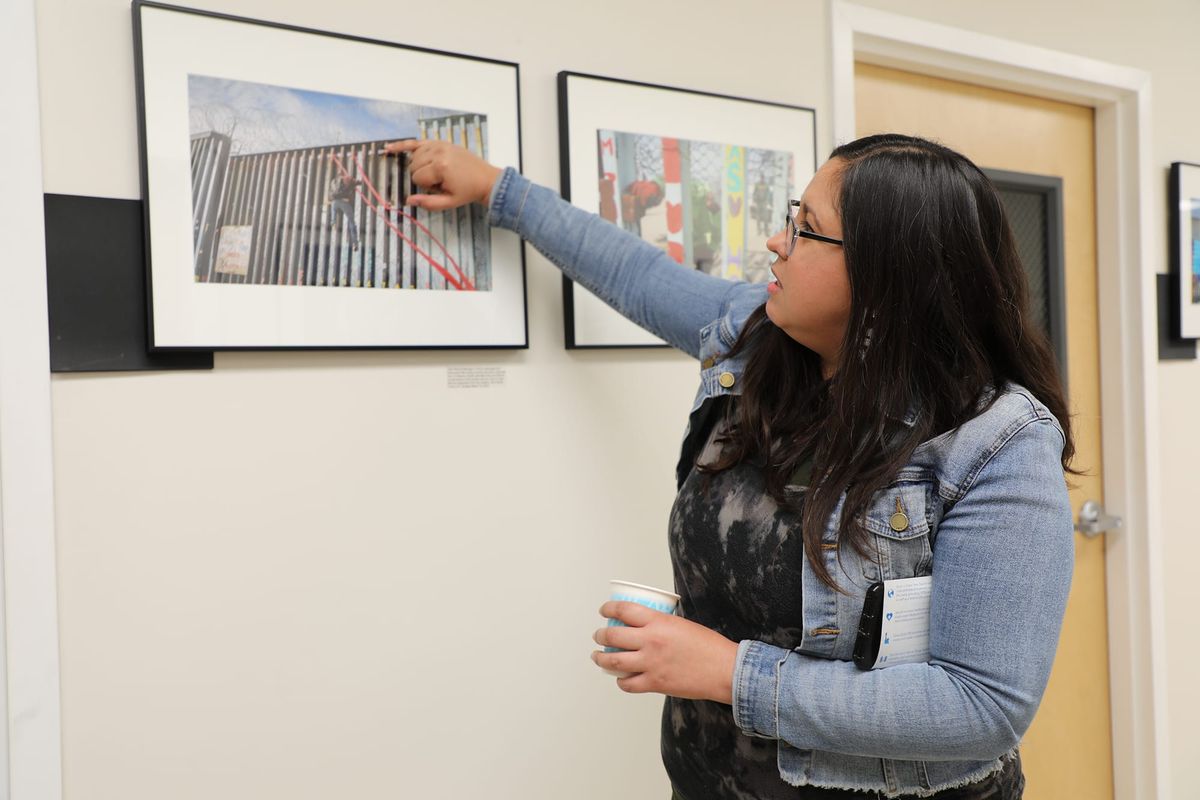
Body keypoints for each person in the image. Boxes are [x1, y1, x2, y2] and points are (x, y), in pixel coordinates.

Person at [384, 133, 1074, 800]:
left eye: (807, 229)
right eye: (789, 220)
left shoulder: (998, 443)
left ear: (889, 272)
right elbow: (635, 273)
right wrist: (496, 190)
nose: (777, 242)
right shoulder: (755, 335)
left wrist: (729, 673)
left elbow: (979, 705)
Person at [327, 170, 362, 251]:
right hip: (344, 202)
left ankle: (333, 222)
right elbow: (359, 182)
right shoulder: (347, 179)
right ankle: (354, 243)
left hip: (334, 202)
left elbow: (330, 194)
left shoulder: (333, 181)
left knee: (334, 210)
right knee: (351, 222)